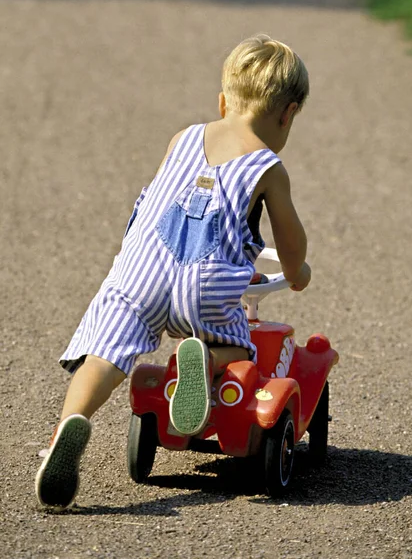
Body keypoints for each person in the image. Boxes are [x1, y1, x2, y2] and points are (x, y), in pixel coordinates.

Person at [35, 34, 311, 509]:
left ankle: (70, 424)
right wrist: (298, 270)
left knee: (105, 354)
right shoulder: (268, 167)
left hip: (138, 273)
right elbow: (290, 243)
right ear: (287, 114)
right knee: (235, 342)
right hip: (200, 288)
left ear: (223, 101)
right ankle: (204, 361)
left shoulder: (182, 137)